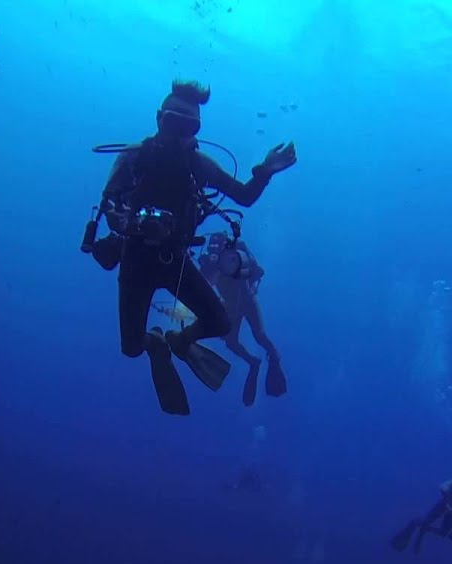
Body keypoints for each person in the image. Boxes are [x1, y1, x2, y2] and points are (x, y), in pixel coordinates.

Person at [83, 79, 297, 415]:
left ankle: (179, 341)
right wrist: (127, 223)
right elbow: (108, 203)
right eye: (175, 123)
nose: (181, 133)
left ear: (196, 129)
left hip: (174, 260)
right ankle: (156, 341)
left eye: (190, 126)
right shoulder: (134, 157)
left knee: (220, 323)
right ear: (159, 119)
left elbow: (244, 196)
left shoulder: (199, 165)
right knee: (131, 348)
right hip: (136, 257)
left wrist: (266, 170)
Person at [197, 232, 287, 406]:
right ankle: (253, 362)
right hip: (231, 305)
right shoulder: (210, 263)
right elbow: (205, 284)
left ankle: (274, 356)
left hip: (247, 300)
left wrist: (251, 282)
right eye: (213, 245)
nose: (215, 248)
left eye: (218, 244)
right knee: (231, 342)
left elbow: (257, 271)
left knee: (259, 335)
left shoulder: (238, 253)